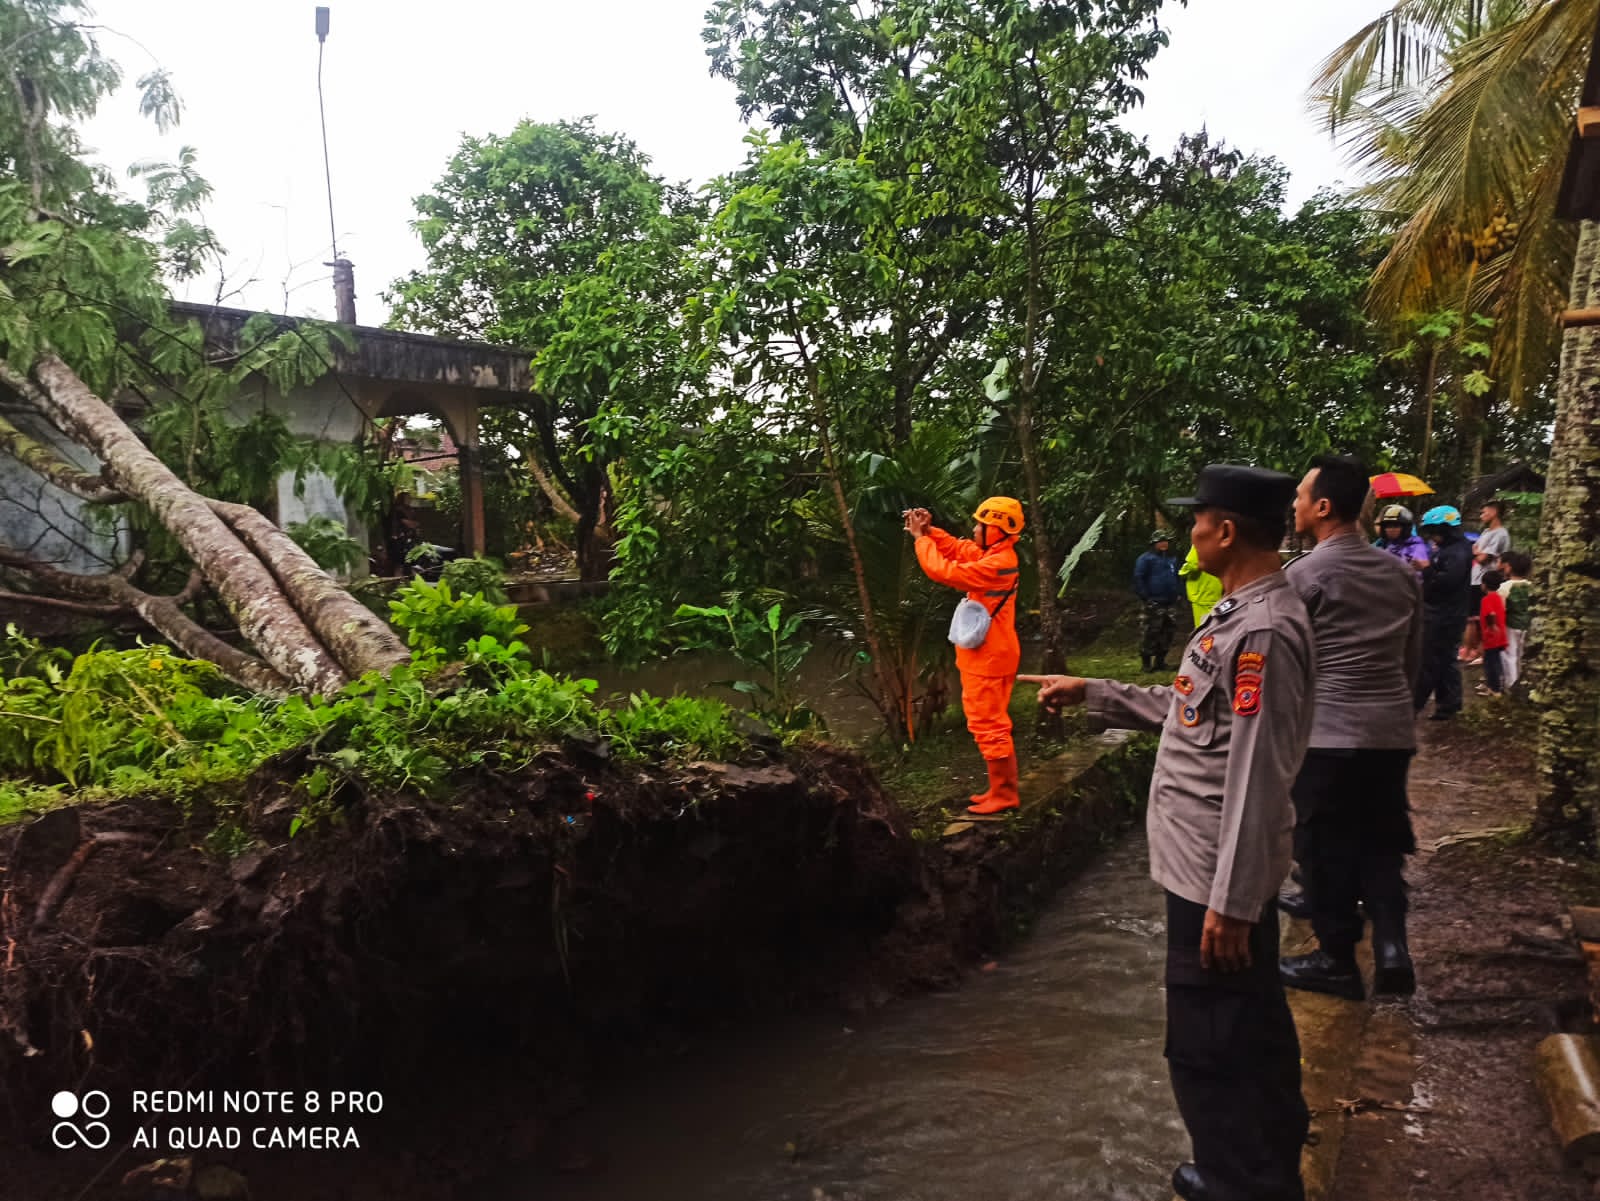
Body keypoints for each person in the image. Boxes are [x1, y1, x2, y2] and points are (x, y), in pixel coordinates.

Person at [1021, 465, 1313, 1201]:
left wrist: (1235, 900)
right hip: (1205, 867)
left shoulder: (1264, 628)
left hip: (1216, 875)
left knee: (1208, 1043)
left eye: (1197, 520)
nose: (1190, 532)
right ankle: (1267, 1164)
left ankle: (1240, 1181)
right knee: (1249, 1022)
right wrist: (1094, 690)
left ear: (1225, 530)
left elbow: (1255, 771)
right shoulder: (1236, 613)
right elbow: (1190, 712)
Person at [1277, 455, 1423, 1003]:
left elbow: (1289, 666)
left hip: (1328, 734)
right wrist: (1394, 710)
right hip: (1389, 731)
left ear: (1322, 507)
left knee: (1323, 847)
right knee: (1382, 841)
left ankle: (1336, 961)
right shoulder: (1400, 574)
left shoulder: (1304, 575)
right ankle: (1392, 949)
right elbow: (1411, 660)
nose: (1293, 505)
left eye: (1299, 495)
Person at [905, 498, 1023, 815]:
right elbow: (958, 549)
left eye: (980, 525)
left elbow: (945, 571)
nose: (973, 530)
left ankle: (1005, 794)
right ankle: (998, 789)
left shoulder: (999, 563)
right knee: (985, 723)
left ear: (996, 530)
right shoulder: (992, 553)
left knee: (990, 726)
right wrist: (931, 531)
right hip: (985, 656)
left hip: (990, 658)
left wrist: (920, 540)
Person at [1414, 506, 1474, 720]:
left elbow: (1447, 582)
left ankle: (1414, 706)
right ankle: (1449, 705)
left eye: (1435, 531)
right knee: (1445, 660)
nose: (1432, 536)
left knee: (1430, 660)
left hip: (1446, 615)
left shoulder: (1457, 551)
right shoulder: (1448, 549)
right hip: (1442, 612)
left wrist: (1426, 569)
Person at [1460, 500, 1512, 665]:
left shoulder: (1500, 534)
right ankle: (1470, 650)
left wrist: (1475, 552)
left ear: (1494, 511)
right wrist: (1475, 552)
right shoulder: (1485, 532)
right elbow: (1475, 551)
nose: (1481, 515)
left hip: (1488, 579)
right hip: (1475, 579)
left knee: (1481, 618)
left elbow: (1482, 557)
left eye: (1484, 512)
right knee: (1473, 618)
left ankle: (1480, 652)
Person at [1134, 530, 1182, 673]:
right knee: (1150, 632)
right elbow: (1138, 578)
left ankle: (1160, 662)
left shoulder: (1171, 559)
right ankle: (1146, 663)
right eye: (1160, 541)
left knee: (1168, 631)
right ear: (1153, 543)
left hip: (1170, 602)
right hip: (1153, 602)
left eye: (1165, 541)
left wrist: (1179, 593)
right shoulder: (1145, 559)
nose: (1163, 544)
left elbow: (1177, 577)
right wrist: (1146, 597)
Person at [1498, 550, 1534, 690]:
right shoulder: (1531, 586)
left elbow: (1501, 609)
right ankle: (1522, 683)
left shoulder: (1505, 587)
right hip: (1527, 624)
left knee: (1510, 655)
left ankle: (1511, 685)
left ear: (1510, 568)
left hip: (1510, 625)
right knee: (1521, 655)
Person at [1477, 569, 1509, 698]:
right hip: (1500, 636)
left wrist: (1491, 626)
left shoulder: (1486, 599)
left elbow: (1491, 614)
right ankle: (1492, 687)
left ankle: (1496, 690)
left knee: (1491, 664)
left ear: (1484, 585)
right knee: (1493, 662)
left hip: (1491, 637)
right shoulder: (1498, 597)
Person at [1373, 504, 1429, 572]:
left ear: (1406, 528)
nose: (1391, 529)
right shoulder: (1387, 546)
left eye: (1395, 526)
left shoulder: (1416, 547)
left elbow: (1419, 573)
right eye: (1387, 526)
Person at [1180, 544, 1223, 627]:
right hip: (1217, 591)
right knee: (1216, 624)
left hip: (1202, 593)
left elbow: (1193, 564)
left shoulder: (1202, 541)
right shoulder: (1225, 542)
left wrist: (1182, 572)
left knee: (1203, 626)